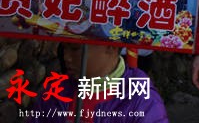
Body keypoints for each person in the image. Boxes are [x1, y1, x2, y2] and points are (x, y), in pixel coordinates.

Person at [32, 43, 169, 122]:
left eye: (75, 49)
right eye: (64, 48)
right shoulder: (56, 92)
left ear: (111, 46)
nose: (66, 57)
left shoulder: (143, 102)